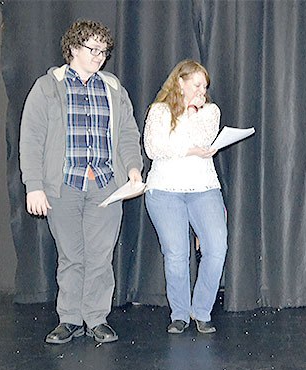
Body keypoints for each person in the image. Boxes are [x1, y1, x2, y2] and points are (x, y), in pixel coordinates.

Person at [19, 19, 143, 344]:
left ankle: (97, 319)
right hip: (64, 185)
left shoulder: (113, 87)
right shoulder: (47, 87)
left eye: (104, 51)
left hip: (106, 183)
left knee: (101, 257)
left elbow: (129, 133)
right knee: (71, 256)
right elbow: (31, 137)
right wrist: (34, 185)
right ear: (73, 48)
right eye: (93, 49)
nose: (100, 56)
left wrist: (133, 169)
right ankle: (70, 319)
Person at [144, 59, 227, 335]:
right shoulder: (158, 111)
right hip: (164, 190)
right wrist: (189, 147)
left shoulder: (210, 112)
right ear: (180, 82)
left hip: (203, 188)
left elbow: (204, 141)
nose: (202, 91)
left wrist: (190, 119)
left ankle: (201, 310)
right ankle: (179, 313)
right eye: (197, 84)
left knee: (216, 248)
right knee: (177, 253)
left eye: (205, 86)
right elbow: (155, 148)